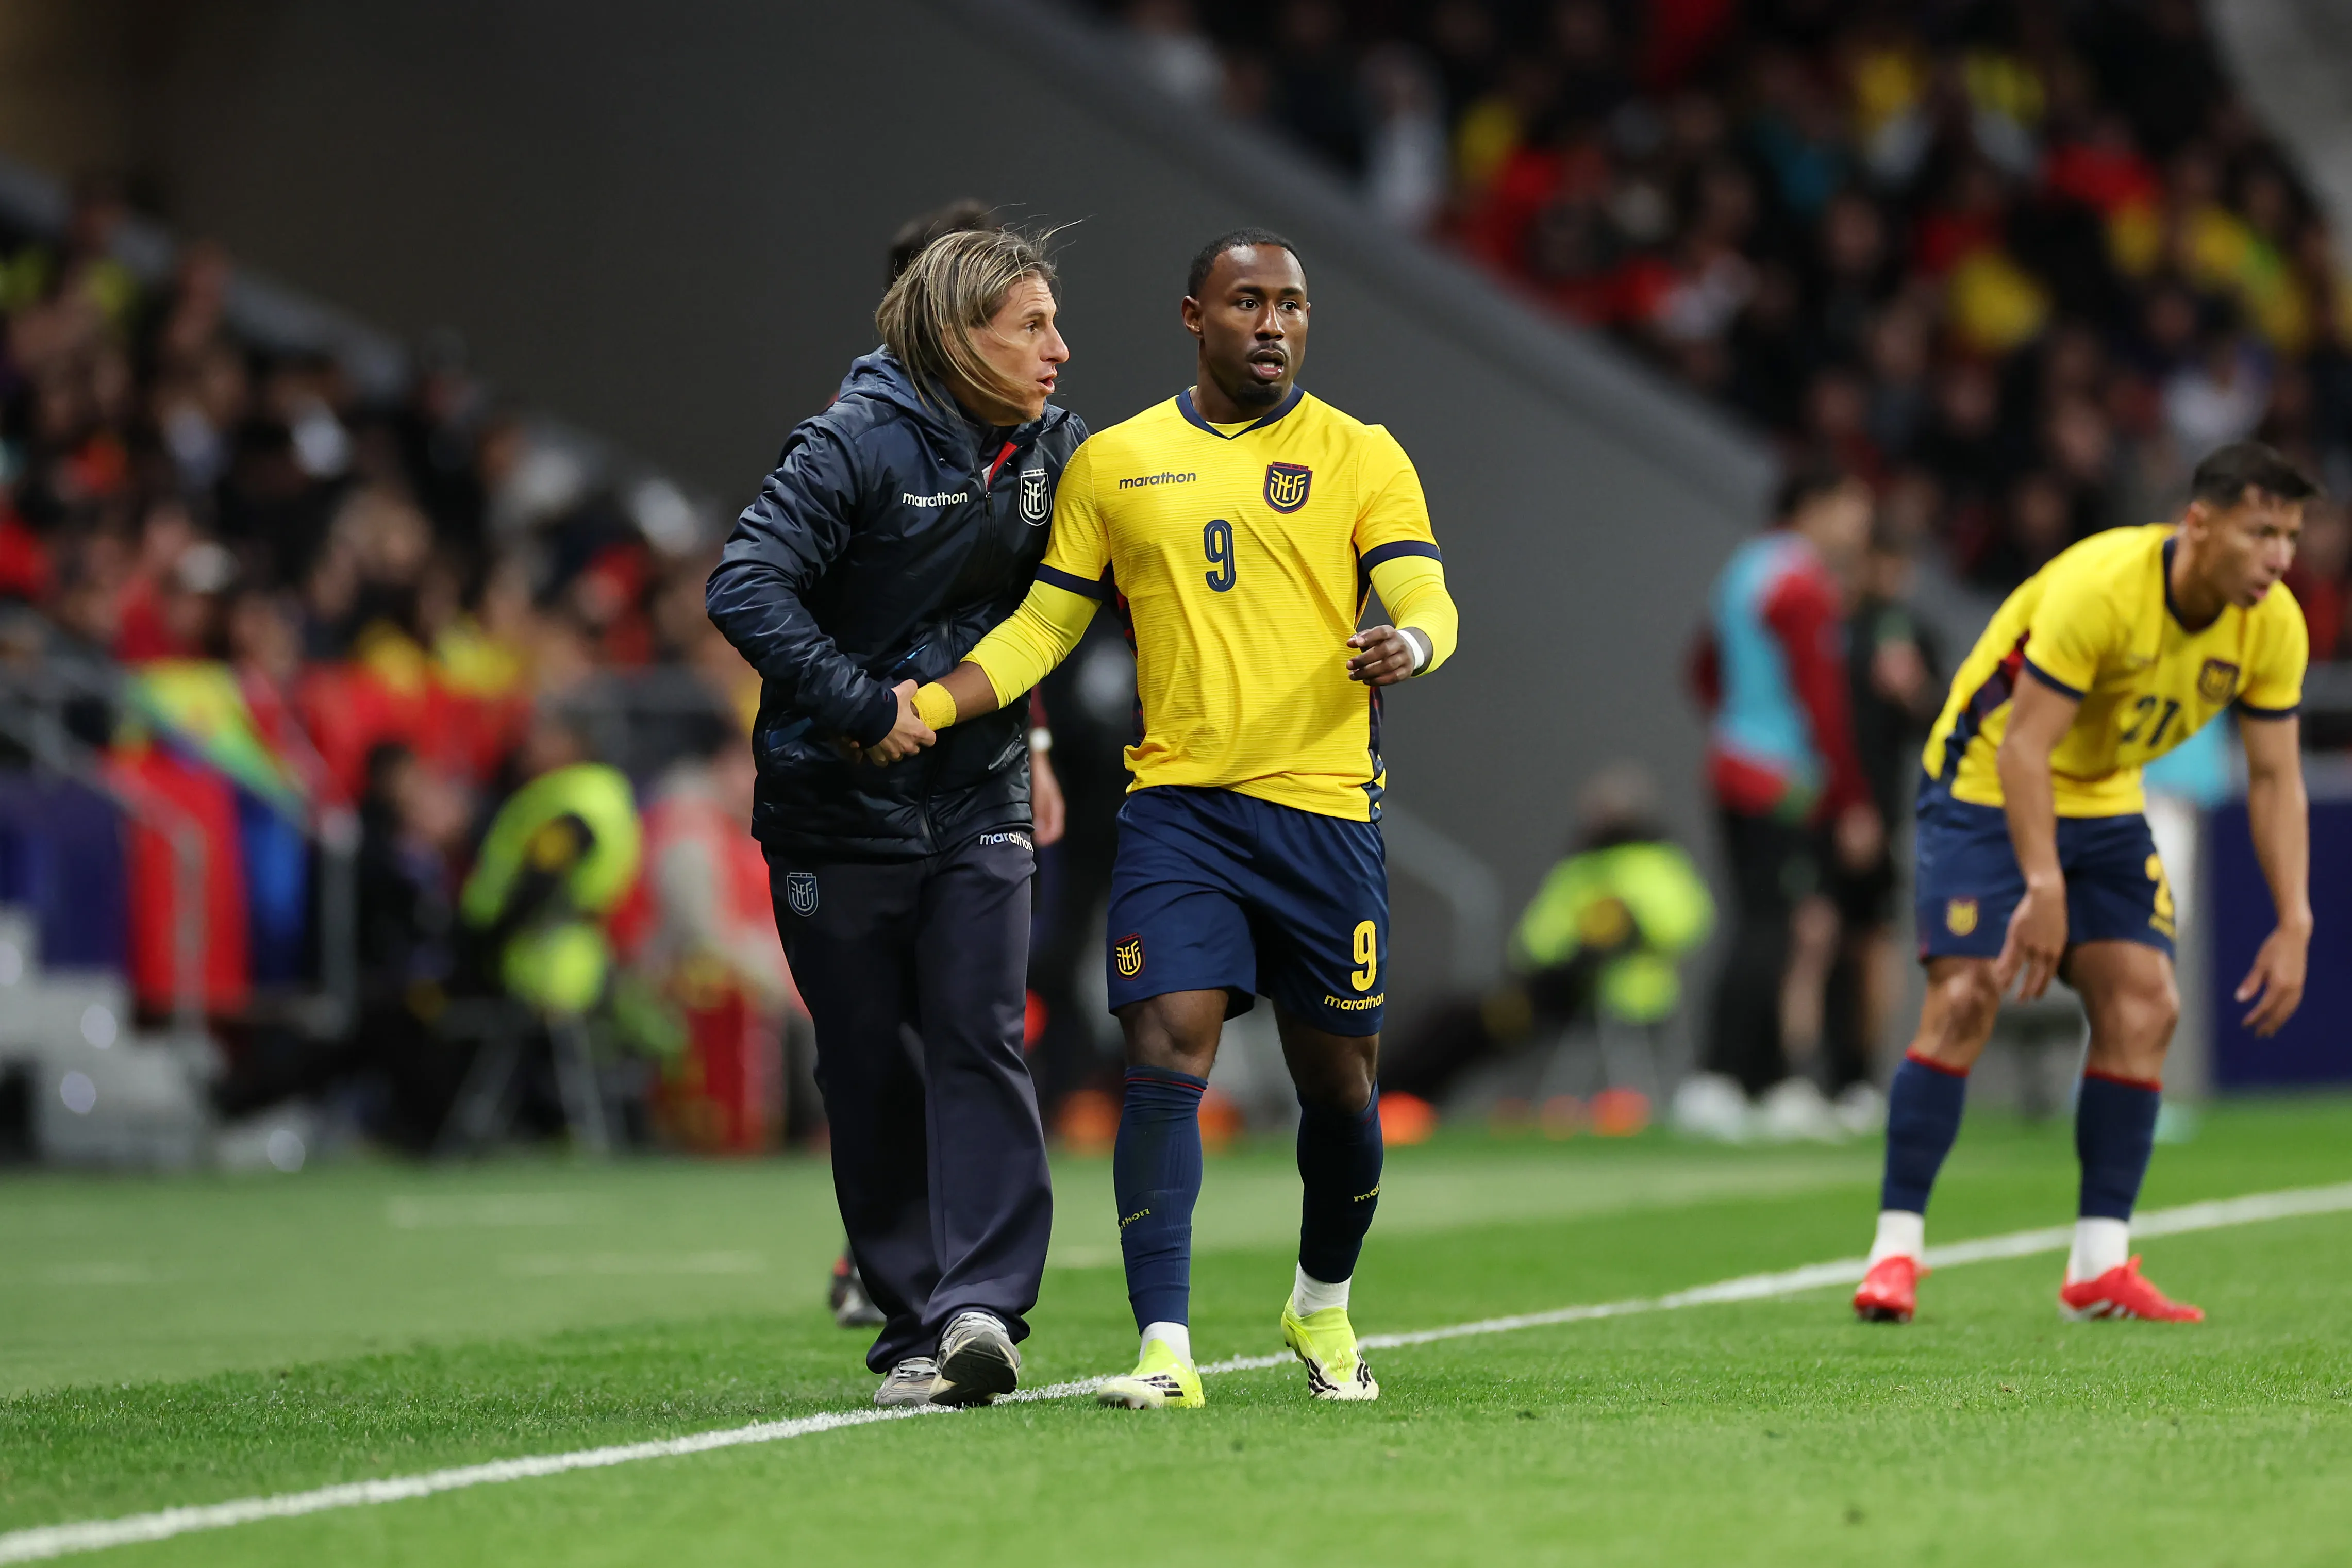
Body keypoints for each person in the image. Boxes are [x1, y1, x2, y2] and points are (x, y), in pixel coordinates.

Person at [906, 229, 1461, 1408]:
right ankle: (1163, 1345)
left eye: (1291, 305)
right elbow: (1048, 622)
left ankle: (1320, 1303)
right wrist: (938, 699)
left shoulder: (1360, 455)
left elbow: (1421, 586)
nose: (1272, 323)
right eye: (1246, 301)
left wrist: (1408, 639)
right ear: (1191, 315)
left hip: (1320, 812)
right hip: (1178, 811)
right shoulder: (1115, 463)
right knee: (1163, 1049)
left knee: (1340, 1088)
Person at [704, 227, 1082, 1409]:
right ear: (956, 336)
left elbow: (1056, 608)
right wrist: (857, 703)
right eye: (1029, 325)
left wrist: (1032, 742)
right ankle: (911, 1321)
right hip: (834, 808)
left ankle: (980, 1309)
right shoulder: (849, 444)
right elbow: (743, 585)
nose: (1057, 349)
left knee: (978, 1030)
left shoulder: (1054, 448)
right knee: (867, 1064)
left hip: (977, 794)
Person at [1854, 441, 2313, 1325]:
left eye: (2289, 536)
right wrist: (2041, 885)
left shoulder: (2272, 624)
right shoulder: (2100, 586)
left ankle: (2098, 1264)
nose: (2279, 558)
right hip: (1986, 781)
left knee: (2145, 1003)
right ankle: (1893, 1250)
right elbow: (2024, 746)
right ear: (2198, 523)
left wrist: (2293, 916)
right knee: (1966, 994)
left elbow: (2273, 779)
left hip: (2101, 799)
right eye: (2261, 532)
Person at [1680, 466, 1880, 1141]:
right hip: (1782, 781)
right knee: (1774, 925)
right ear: (1812, 507)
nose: (1859, 528)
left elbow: (1701, 669)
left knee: (1768, 921)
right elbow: (1822, 702)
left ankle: (1758, 1082)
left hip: (1734, 765)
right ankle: (1718, 1078)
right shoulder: (1799, 584)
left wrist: (1736, 726)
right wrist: (1851, 798)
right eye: (1851, 511)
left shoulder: (1744, 569)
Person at [1378, 763, 1714, 1106]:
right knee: (1453, 1019)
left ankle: (1395, 1098)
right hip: (1549, 991)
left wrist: (1623, 931)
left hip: (1614, 998)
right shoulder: (1580, 867)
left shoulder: (1657, 863)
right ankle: (1397, 1095)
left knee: (1462, 1025)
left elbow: (1687, 923)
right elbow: (1533, 940)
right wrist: (1559, 959)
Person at [1821, 524, 1943, 1125]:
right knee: (1817, 938)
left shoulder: (1912, 634)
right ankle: (1807, 1078)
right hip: (1824, 804)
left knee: (1874, 944)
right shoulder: (1833, 628)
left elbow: (1940, 721)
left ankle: (1859, 1078)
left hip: (1884, 808)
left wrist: (1912, 688)